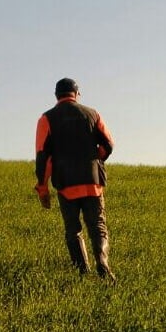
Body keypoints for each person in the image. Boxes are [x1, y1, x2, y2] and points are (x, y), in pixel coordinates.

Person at [34, 78, 116, 282]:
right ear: (77, 94)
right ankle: (103, 265)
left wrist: (42, 188)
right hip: (93, 182)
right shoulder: (93, 114)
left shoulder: (46, 119)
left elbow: (43, 157)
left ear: (56, 96)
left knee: (73, 230)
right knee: (98, 227)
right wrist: (96, 157)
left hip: (66, 184)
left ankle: (83, 273)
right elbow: (109, 145)